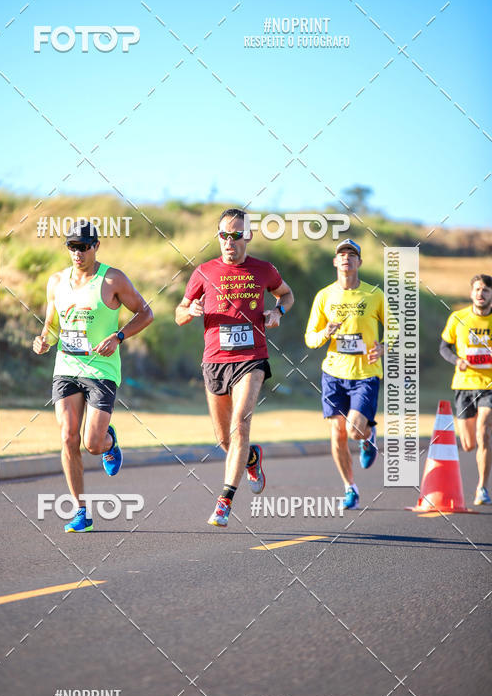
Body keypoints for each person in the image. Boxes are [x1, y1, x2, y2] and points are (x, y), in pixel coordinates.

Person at [175, 208, 294, 527]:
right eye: (224, 235)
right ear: (218, 237)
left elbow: (286, 293)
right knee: (225, 441)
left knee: (241, 424)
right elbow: (180, 311)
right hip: (214, 361)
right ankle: (251, 458)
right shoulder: (203, 272)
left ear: (248, 236)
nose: (229, 241)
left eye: (236, 235)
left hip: (251, 357)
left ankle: (224, 501)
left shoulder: (264, 269)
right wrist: (190, 310)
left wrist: (278, 311)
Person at [33, 221, 153, 532]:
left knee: (92, 444)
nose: (77, 252)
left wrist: (119, 336)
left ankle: (109, 442)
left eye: (83, 246)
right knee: (67, 437)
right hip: (67, 368)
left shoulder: (113, 279)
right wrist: (44, 339)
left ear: (96, 246)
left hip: (102, 369)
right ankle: (81, 512)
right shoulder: (56, 281)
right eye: (72, 246)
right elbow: (52, 325)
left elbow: (145, 313)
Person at [304, 239, 393, 510]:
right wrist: (325, 333)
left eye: (352, 255)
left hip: (365, 373)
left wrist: (385, 345)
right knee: (337, 432)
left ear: (359, 262)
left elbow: (395, 328)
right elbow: (310, 338)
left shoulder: (374, 295)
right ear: (335, 262)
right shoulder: (324, 296)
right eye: (341, 254)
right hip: (333, 372)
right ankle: (350, 488)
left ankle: (368, 437)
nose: (346, 258)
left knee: (354, 430)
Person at [439, 274, 492, 505]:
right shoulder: (458, 318)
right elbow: (444, 347)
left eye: (486, 290)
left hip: (489, 387)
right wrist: (456, 361)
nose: (481, 294)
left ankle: (481, 488)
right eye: (478, 289)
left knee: (483, 431)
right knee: (469, 443)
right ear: (471, 293)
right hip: (464, 385)